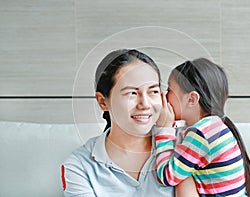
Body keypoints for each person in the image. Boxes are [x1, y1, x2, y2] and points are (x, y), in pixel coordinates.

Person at [61, 49, 174, 196]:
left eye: (153, 91)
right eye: (131, 93)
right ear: (103, 102)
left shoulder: (185, 146)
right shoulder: (79, 166)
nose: (145, 104)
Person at [154, 58, 250, 196]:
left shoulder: (201, 134)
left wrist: (163, 129)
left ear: (191, 99)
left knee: (183, 180)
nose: (164, 96)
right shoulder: (214, 126)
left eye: (169, 90)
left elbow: (167, 176)